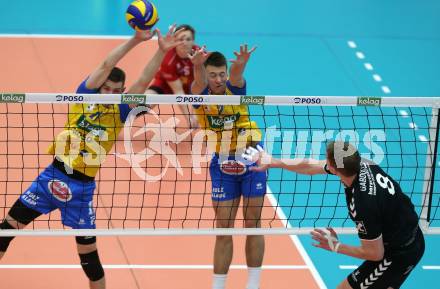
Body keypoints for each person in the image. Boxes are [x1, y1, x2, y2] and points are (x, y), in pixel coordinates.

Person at [0, 26, 182, 289]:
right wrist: (135, 40)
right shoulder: (84, 96)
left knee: (90, 261)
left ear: (122, 93)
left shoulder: (121, 112)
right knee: (5, 232)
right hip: (50, 178)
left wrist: (161, 52)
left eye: (115, 90)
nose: (109, 93)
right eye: (106, 87)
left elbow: (143, 79)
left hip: (81, 191)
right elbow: (108, 63)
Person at [245, 141, 425, 289]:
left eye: (327, 160)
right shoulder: (362, 163)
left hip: (398, 254)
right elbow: (311, 165)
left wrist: (336, 246)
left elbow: (375, 253)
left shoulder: (363, 205)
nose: (324, 162)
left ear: (333, 168)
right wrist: (274, 161)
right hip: (405, 236)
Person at [189, 45, 265, 289]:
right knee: (223, 228)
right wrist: (197, 65)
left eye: (221, 73)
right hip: (222, 161)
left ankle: (253, 285)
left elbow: (236, 75)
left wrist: (241, 63)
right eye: (213, 75)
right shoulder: (199, 95)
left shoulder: (234, 88)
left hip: (251, 155)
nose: (219, 79)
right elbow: (198, 81)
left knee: (252, 224)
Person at [147, 24, 199, 127]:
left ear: (193, 41)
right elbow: (178, 91)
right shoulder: (168, 59)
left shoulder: (200, 54)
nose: (184, 43)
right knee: (146, 103)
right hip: (166, 84)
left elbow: (203, 83)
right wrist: (189, 117)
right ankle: (121, 116)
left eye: (188, 39)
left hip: (192, 86)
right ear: (175, 41)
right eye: (181, 39)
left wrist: (196, 113)